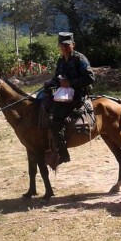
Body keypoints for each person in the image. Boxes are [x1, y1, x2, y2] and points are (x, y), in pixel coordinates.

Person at [45, 32, 95, 165]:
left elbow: (90, 78)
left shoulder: (80, 59)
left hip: (78, 95)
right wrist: (50, 83)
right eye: (62, 45)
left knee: (55, 119)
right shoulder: (61, 60)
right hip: (65, 93)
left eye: (67, 45)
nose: (65, 48)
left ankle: (63, 153)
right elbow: (57, 77)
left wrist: (70, 83)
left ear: (73, 45)